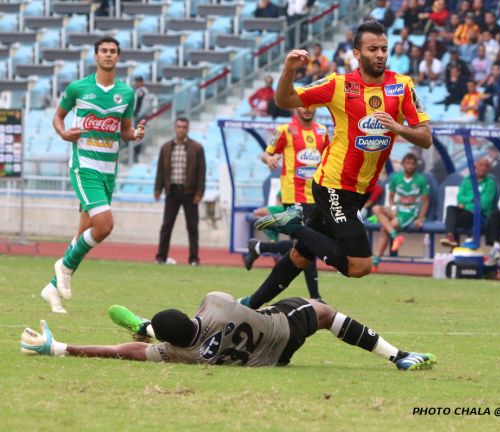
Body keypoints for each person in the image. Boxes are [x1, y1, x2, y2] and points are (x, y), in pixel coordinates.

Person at [238, 20, 432, 309]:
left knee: (301, 256)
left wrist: (398, 128)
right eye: (373, 49)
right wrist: (290, 69)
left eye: (384, 49)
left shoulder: (402, 86)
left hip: (361, 190)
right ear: (357, 53)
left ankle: (250, 303)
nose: (380, 54)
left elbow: (426, 138)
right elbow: (284, 99)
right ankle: (293, 226)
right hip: (333, 185)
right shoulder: (337, 85)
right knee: (360, 266)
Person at [20, 291, 435, 371]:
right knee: (323, 311)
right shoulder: (215, 304)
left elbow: (119, 352)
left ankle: (146, 325)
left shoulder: (176, 355)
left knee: (135, 341)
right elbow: (220, 305)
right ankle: (396, 356)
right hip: (279, 331)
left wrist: (62, 348)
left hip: (269, 362)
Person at [40, 36, 144, 314]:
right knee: (105, 225)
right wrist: (63, 133)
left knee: (85, 234)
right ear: (96, 56)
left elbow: (124, 131)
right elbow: (58, 117)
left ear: (118, 58)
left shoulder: (127, 94)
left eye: (113, 51)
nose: (108, 55)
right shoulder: (78, 88)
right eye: (104, 51)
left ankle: (52, 288)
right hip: (84, 166)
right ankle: (62, 267)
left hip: (109, 171)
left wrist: (135, 135)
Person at [243, 107, 329, 301]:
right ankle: (315, 297)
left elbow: (328, 159)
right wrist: (270, 159)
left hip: (316, 196)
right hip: (294, 194)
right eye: (302, 105)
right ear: (296, 108)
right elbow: (266, 153)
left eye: (310, 105)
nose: (306, 109)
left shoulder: (322, 131)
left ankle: (259, 247)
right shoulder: (285, 130)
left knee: (302, 245)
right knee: (310, 242)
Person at [153, 118, 206, 266]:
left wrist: (199, 193)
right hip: (172, 191)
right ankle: (161, 257)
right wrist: (157, 189)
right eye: (179, 127)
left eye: (184, 127)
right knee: (166, 226)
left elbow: (202, 173)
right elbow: (160, 171)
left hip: (190, 192)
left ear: (187, 129)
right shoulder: (166, 148)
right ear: (174, 128)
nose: (181, 129)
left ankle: (194, 259)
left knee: (192, 227)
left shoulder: (197, 148)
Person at [371, 153, 430, 271]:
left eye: (412, 164)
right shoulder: (396, 178)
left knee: (385, 228)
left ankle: (376, 261)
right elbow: (391, 197)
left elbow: (425, 202)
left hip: (410, 211)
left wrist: (420, 218)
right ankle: (395, 236)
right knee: (376, 209)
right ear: (403, 164)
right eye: (407, 163)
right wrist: (392, 207)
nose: (410, 166)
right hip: (397, 209)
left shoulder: (421, 180)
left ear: (415, 166)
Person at [440, 158, 497, 248]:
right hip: (467, 214)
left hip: (479, 216)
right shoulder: (467, 180)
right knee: (450, 208)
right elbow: (459, 197)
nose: (484, 168)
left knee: (454, 219)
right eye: (481, 165)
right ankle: (450, 238)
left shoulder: (490, 183)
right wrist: (472, 200)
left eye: (486, 166)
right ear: (476, 167)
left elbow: (484, 204)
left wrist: (466, 204)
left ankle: (454, 248)